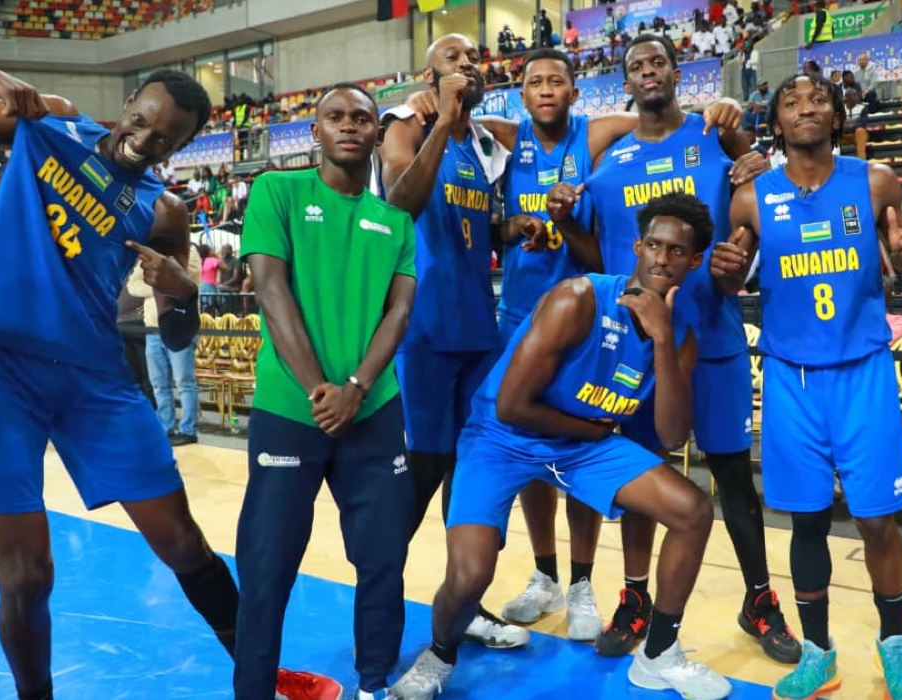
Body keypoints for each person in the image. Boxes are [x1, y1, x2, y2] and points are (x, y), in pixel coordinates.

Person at [0, 64, 339, 700]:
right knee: (27, 576)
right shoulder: (51, 121)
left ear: (183, 147)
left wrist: (184, 292)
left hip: (95, 381)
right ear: (128, 101)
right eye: (142, 119)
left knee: (184, 542)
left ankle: (264, 679)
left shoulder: (165, 209)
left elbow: (177, 338)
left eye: (167, 138)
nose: (146, 138)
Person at [400, 47, 748, 642]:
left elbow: (658, 114)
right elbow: (455, 125)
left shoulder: (598, 132)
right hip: (519, 314)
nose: (545, 89)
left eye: (556, 80)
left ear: (575, 90)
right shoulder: (505, 141)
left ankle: (584, 581)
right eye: (534, 81)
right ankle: (545, 575)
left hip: (593, 310)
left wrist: (729, 113)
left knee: (587, 446)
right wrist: (413, 103)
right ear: (522, 91)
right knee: (530, 447)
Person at [390, 192, 731, 700]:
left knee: (693, 510)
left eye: (677, 251)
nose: (663, 258)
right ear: (637, 247)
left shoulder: (678, 334)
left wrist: (661, 340)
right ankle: (439, 652)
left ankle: (659, 653)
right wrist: (591, 431)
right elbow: (510, 406)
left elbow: (673, 435)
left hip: (579, 445)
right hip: (501, 440)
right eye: (654, 245)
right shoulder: (579, 299)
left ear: (695, 260)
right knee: (470, 574)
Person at [564, 33, 800, 665]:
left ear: (675, 72)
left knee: (732, 479)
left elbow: (761, 205)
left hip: (715, 340)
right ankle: (636, 597)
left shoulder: (713, 137)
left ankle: (759, 600)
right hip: (639, 355)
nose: (648, 72)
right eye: (636, 65)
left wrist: (749, 157)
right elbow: (595, 253)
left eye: (658, 62)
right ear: (626, 82)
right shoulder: (607, 168)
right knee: (645, 478)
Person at [710, 71, 902, 700]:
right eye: (791, 100)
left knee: (879, 522)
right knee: (806, 522)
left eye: (817, 100)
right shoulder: (752, 197)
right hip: (789, 379)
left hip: (862, 373)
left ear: (836, 115)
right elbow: (733, 278)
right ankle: (818, 653)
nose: (805, 107)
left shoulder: (876, 180)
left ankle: (896, 647)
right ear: (776, 122)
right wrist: (725, 272)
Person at [233, 83, 417, 700]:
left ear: (376, 133)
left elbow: (398, 313)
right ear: (315, 130)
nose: (348, 125)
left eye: (361, 118)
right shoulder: (276, 192)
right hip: (291, 410)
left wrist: (357, 387)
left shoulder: (395, 221)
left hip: (374, 410)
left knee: (383, 559)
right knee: (267, 566)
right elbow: (270, 290)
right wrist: (321, 390)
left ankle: (373, 685)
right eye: (334, 116)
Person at [379, 32, 527, 650]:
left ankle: (464, 600)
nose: (466, 64)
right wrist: (439, 118)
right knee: (422, 468)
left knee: (470, 470)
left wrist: (508, 228)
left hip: (476, 326)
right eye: (451, 59)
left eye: (472, 58)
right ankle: (379, 596)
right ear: (427, 73)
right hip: (425, 326)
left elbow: (471, 224)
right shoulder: (405, 124)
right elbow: (400, 199)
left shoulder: (482, 145)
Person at [127, 241, 203, 446]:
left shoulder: (189, 250)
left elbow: (191, 282)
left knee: (184, 382)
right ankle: (165, 428)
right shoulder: (147, 254)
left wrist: (158, 282)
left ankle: (188, 430)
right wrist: (165, 284)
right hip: (152, 329)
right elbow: (132, 286)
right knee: (159, 384)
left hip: (179, 326)